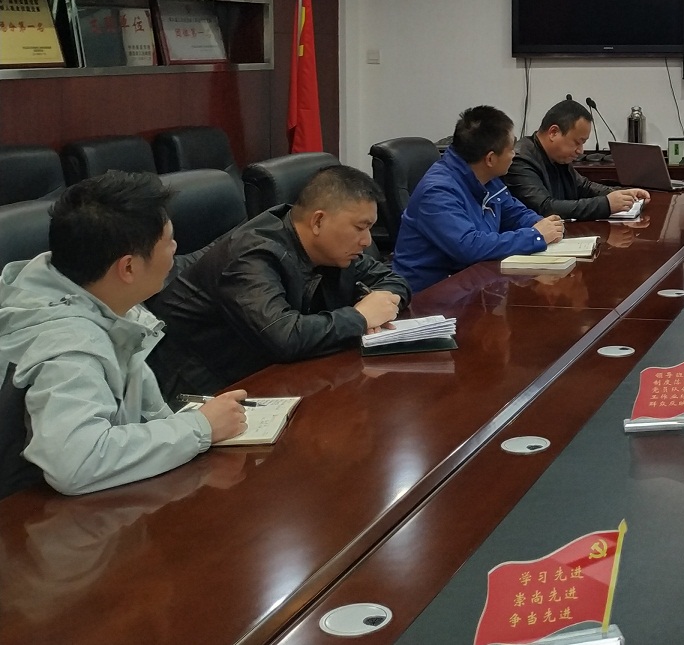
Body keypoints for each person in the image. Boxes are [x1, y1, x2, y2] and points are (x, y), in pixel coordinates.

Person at [0, 172, 246, 497]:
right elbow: (76, 462)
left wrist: (199, 426)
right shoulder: (69, 345)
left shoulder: (102, 300)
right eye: (169, 241)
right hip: (31, 514)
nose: (176, 249)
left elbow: (148, 416)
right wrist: (200, 428)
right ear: (128, 268)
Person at [147, 165, 411, 400]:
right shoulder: (251, 256)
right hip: (203, 390)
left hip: (271, 374)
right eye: (360, 227)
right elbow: (283, 337)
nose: (367, 241)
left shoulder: (334, 251)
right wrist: (360, 317)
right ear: (318, 221)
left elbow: (393, 280)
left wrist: (378, 304)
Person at [393, 105, 565, 291]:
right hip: (430, 295)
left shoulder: (486, 177)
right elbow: (469, 247)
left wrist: (540, 224)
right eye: (510, 149)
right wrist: (535, 236)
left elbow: (513, 212)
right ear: (490, 159)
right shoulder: (437, 192)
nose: (514, 154)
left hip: (472, 285)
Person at [503, 99, 649, 221]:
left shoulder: (558, 157)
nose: (581, 151)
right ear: (553, 132)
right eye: (577, 142)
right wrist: (606, 204)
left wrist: (624, 193)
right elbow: (545, 208)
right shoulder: (519, 160)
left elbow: (583, 187)